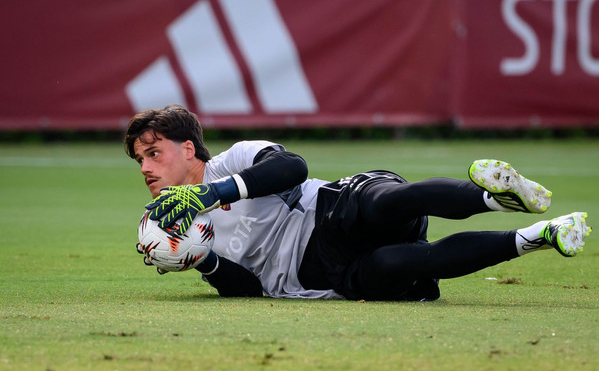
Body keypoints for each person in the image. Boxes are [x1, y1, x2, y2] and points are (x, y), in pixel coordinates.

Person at [125, 104, 592, 301]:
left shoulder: (233, 161)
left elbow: (293, 168)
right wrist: (203, 261)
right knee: (399, 262)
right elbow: (250, 291)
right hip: (319, 275)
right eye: (140, 159)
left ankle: (495, 197)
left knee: (388, 202)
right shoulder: (180, 227)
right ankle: (539, 235)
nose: (145, 167)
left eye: (153, 153)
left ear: (189, 149)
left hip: (329, 210)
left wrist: (212, 192)